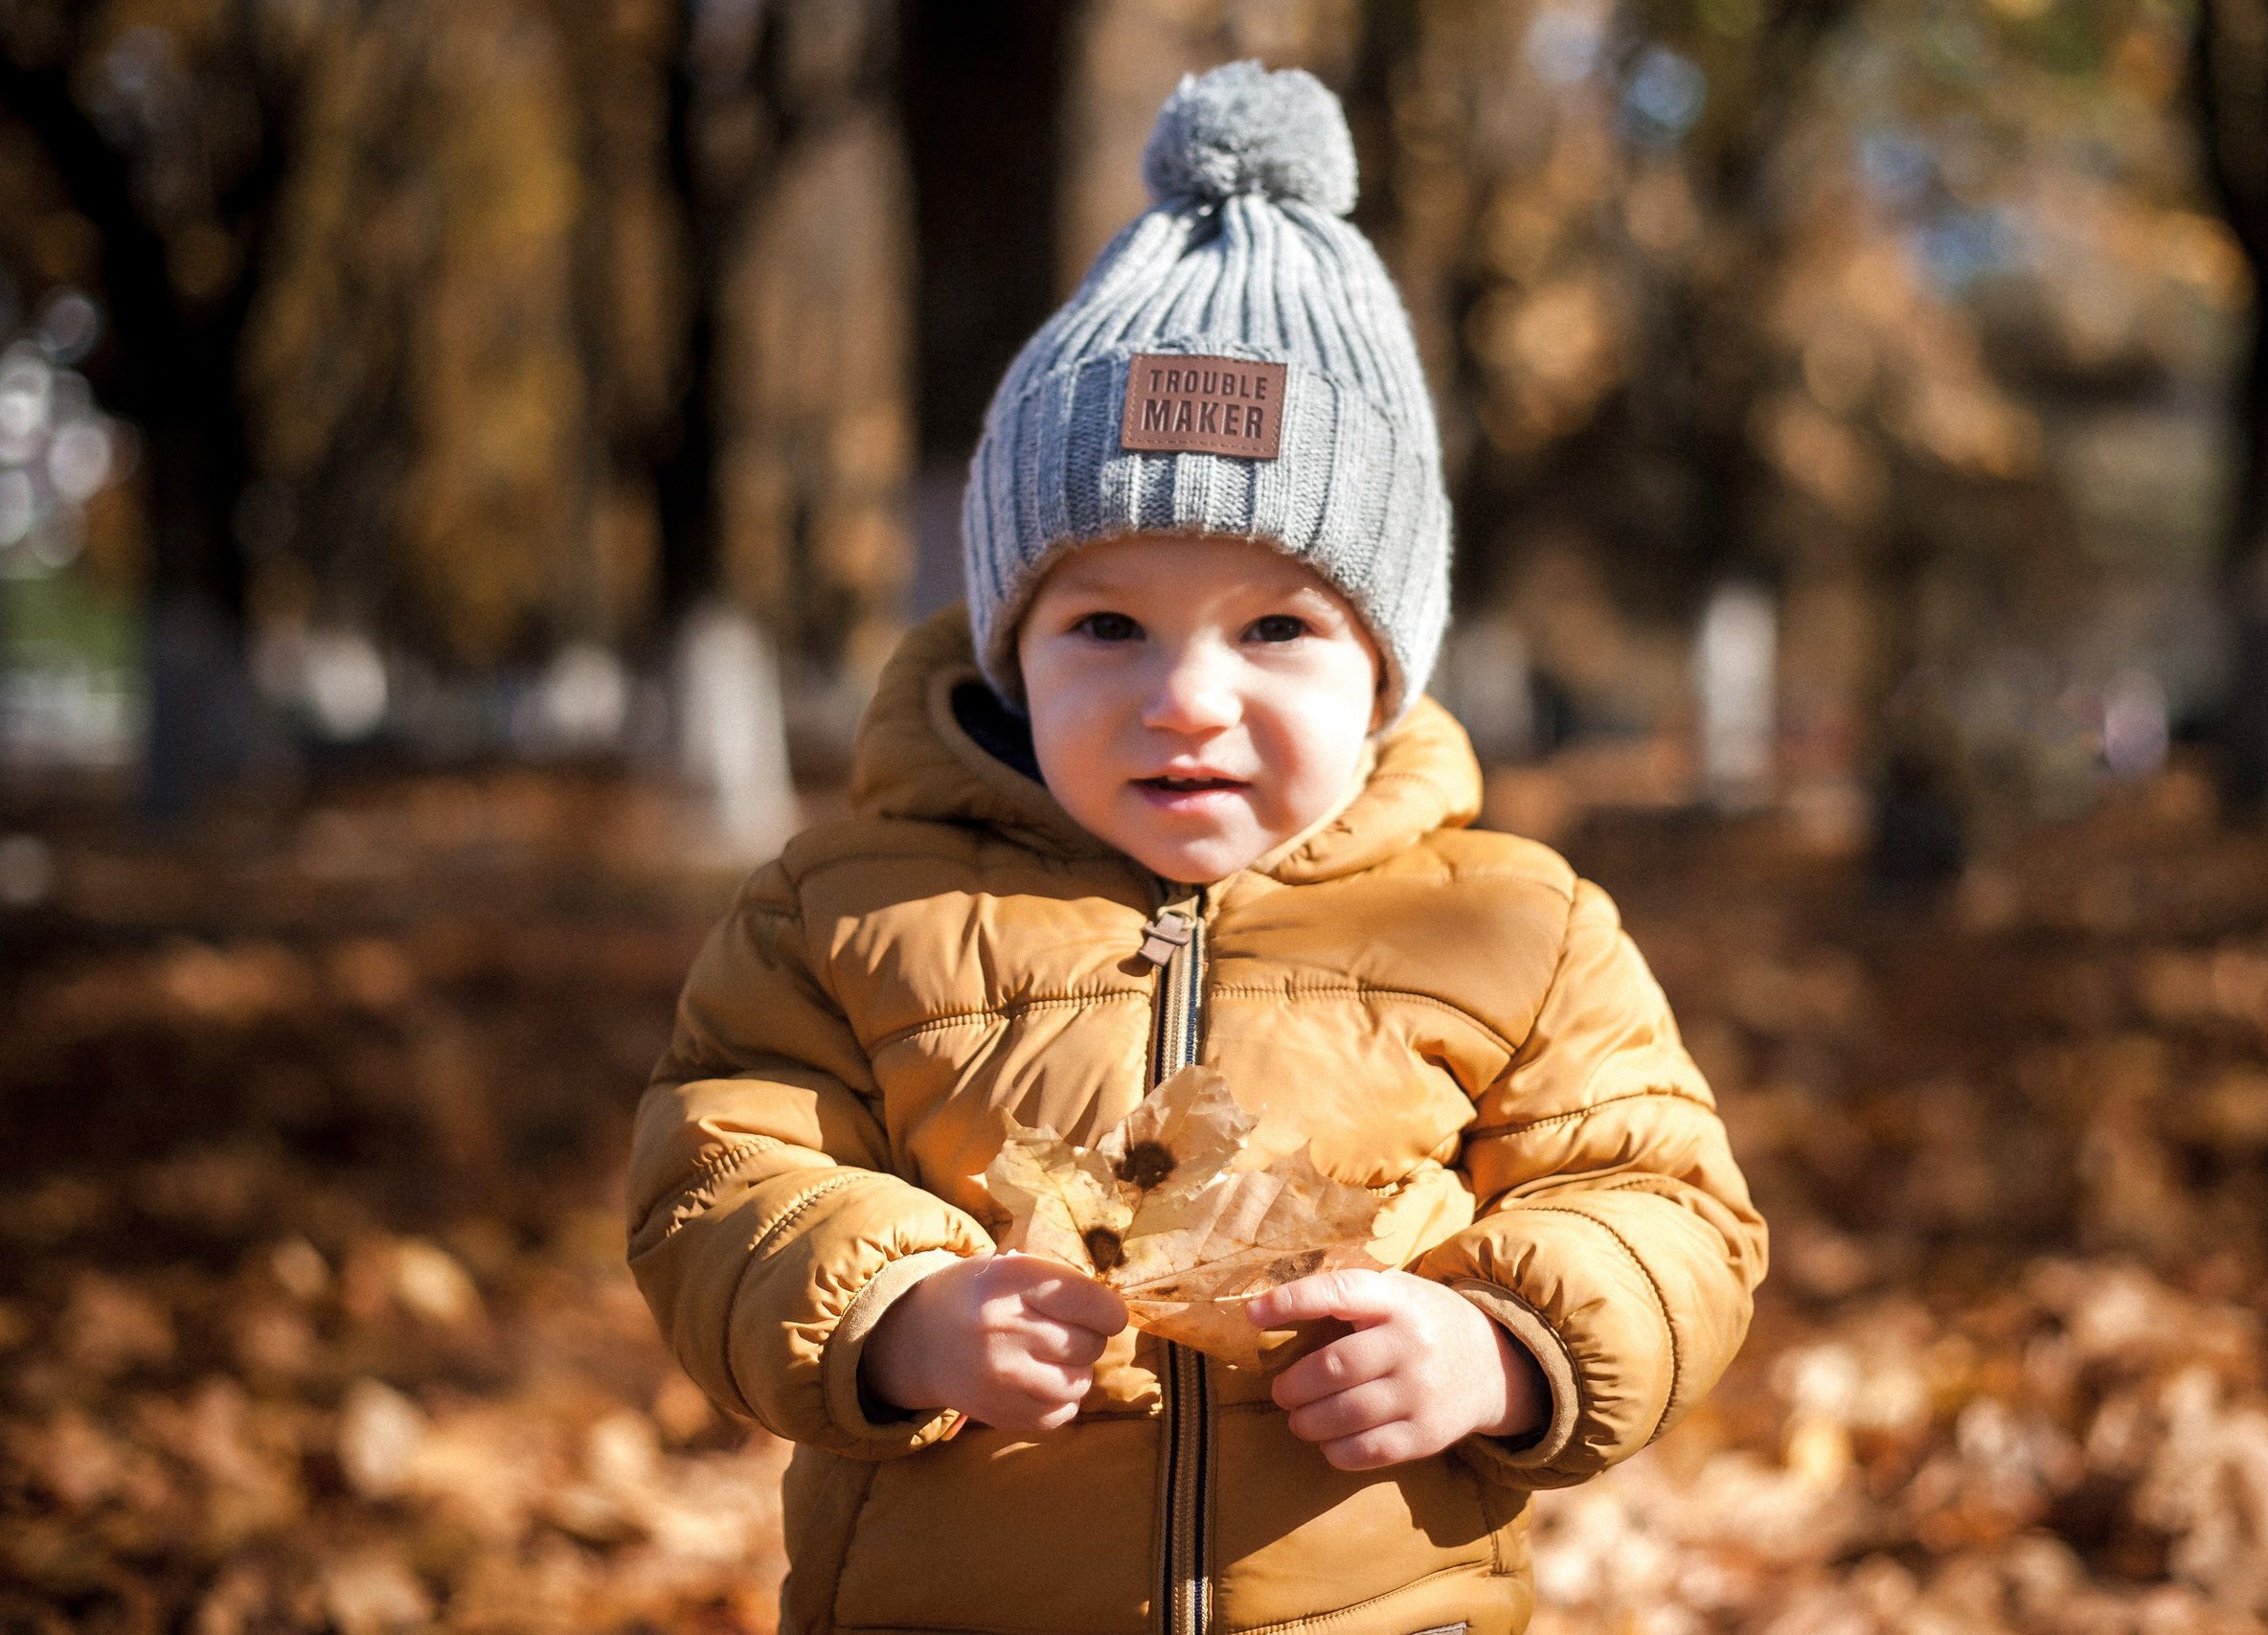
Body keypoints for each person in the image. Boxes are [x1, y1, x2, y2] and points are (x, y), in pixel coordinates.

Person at [627, 61, 1765, 1635]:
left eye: (1278, 629)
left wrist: (1498, 1353)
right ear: (1012, 646)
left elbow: (1665, 1201)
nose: (1188, 701)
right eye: (1107, 624)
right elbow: (721, 1177)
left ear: (1385, 667)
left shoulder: (1518, 929)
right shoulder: (847, 916)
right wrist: (894, 1316)